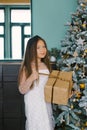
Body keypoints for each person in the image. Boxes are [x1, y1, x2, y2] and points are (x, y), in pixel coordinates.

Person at [18, 35, 55, 130]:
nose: (42, 50)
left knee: (46, 124)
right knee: (36, 124)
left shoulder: (46, 65)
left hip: (45, 101)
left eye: (44, 47)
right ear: (31, 50)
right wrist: (31, 78)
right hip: (33, 102)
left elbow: (50, 86)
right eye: (38, 48)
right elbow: (22, 90)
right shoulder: (27, 67)